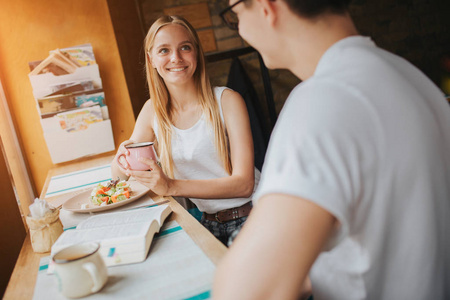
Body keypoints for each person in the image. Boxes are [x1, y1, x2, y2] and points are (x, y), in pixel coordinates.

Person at [213, 0, 450, 299]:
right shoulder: (414, 79)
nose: (241, 30)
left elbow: (248, 292)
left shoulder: (322, 102)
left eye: (235, 16)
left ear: (266, 7)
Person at [111, 15, 259, 246]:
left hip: (254, 216)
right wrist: (122, 158)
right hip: (208, 223)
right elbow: (119, 175)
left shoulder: (227, 101)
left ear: (197, 53)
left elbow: (244, 184)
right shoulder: (152, 111)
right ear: (151, 59)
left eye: (185, 47)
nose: (176, 58)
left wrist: (170, 185)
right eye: (164, 50)